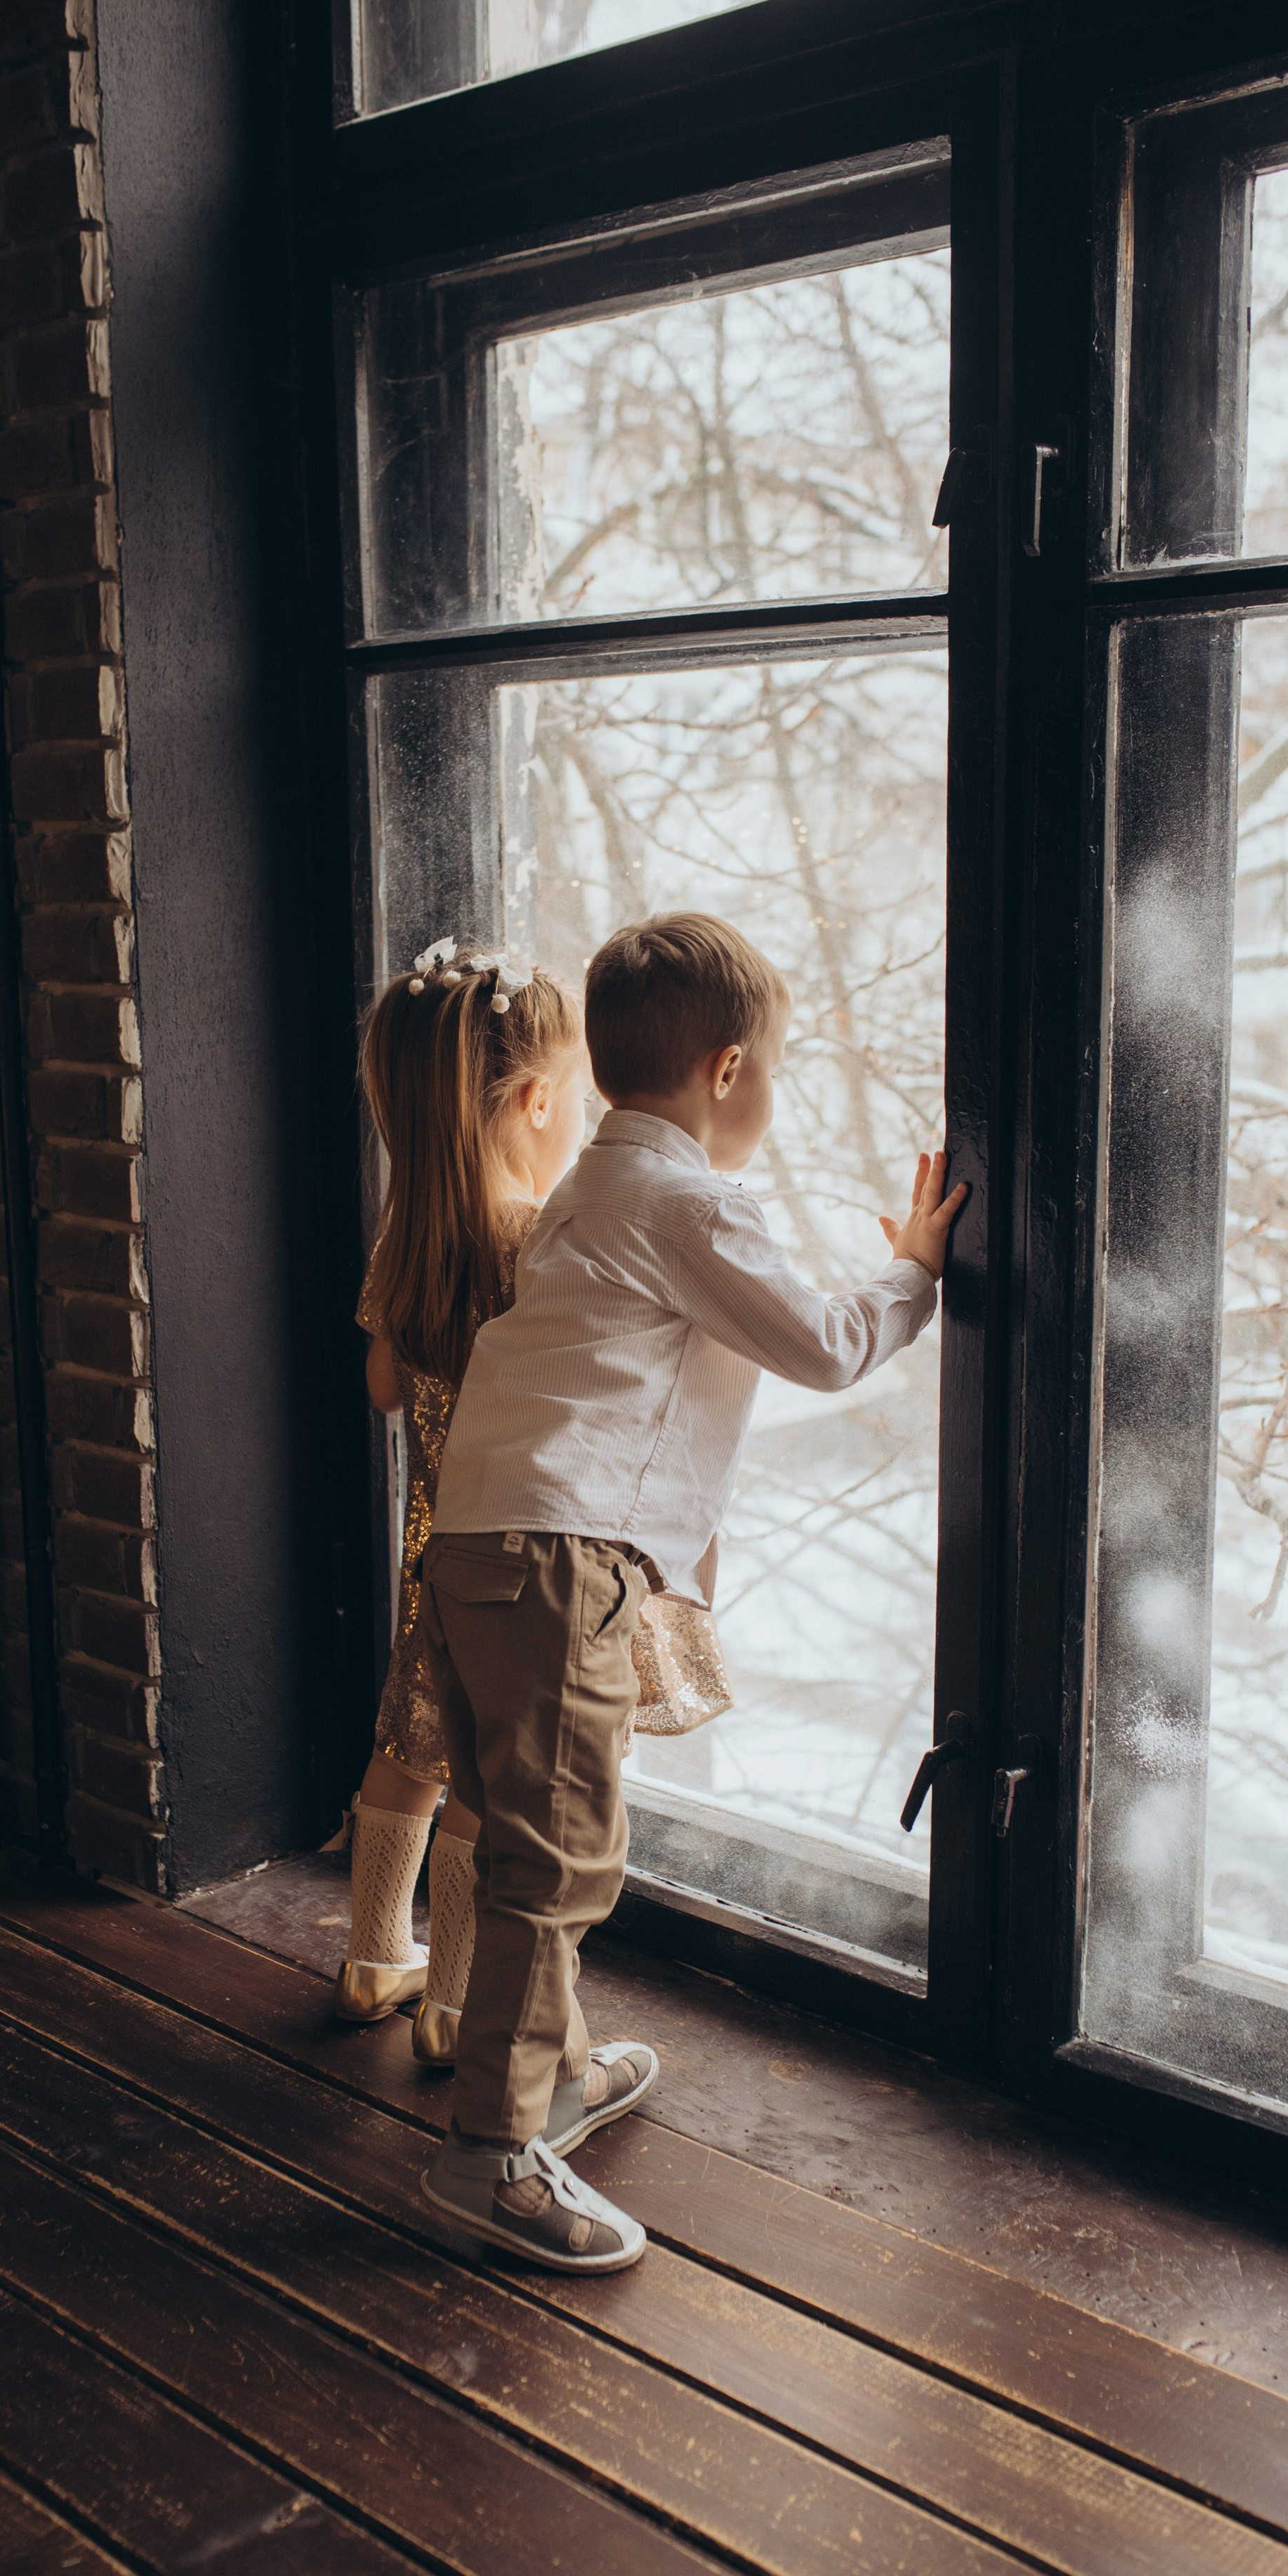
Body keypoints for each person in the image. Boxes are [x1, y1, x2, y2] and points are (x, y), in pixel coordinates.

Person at [417, 910, 966, 2273]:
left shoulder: (585, 1194)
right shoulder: (684, 1200)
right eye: (769, 1071)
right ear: (726, 1071)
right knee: (556, 1854)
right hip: (556, 1555)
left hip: (481, 1542)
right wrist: (914, 1268)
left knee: (523, 1829)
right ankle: (493, 2154)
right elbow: (825, 1345)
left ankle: (540, 2084)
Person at [335, 936, 731, 2061]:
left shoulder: (408, 1233)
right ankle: (457, 2004)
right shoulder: (541, 1237)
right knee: (494, 1781)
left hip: (434, 1554)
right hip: (523, 1555)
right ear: (536, 1098)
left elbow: (381, 1386)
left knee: (407, 1745)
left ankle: (373, 1958)